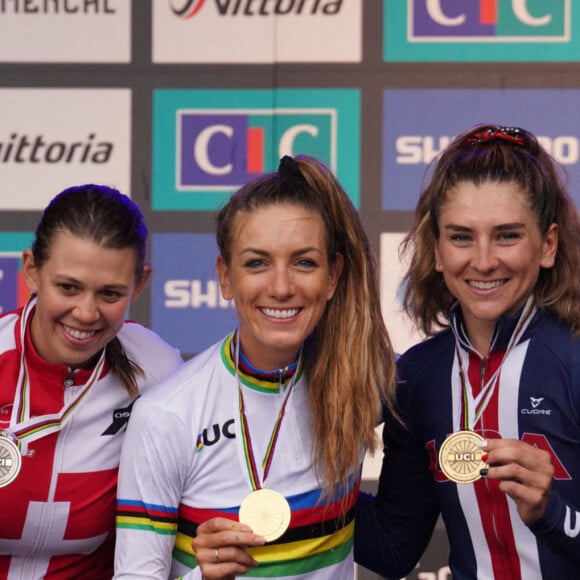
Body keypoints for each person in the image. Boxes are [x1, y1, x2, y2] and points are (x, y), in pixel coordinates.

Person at [114, 154, 397, 579]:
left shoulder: (361, 382)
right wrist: (201, 576)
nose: (281, 287)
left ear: (333, 276)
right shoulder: (167, 415)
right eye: (256, 263)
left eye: (304, 262)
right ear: (225, 277)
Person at [355, 123, 580, 579]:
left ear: (548, 245)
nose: (482, 260)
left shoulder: (572, 359)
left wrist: (552, 513)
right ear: (436, 249)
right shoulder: (417, 377)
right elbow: (393, 548)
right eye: (460, 237)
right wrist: (301, 487)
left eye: (507, 235)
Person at [0, 184, 183, 578]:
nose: (86, 313)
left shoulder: (159, 371)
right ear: (31, 269)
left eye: (110, 294)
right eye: (68, 287)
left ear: (140, 283)